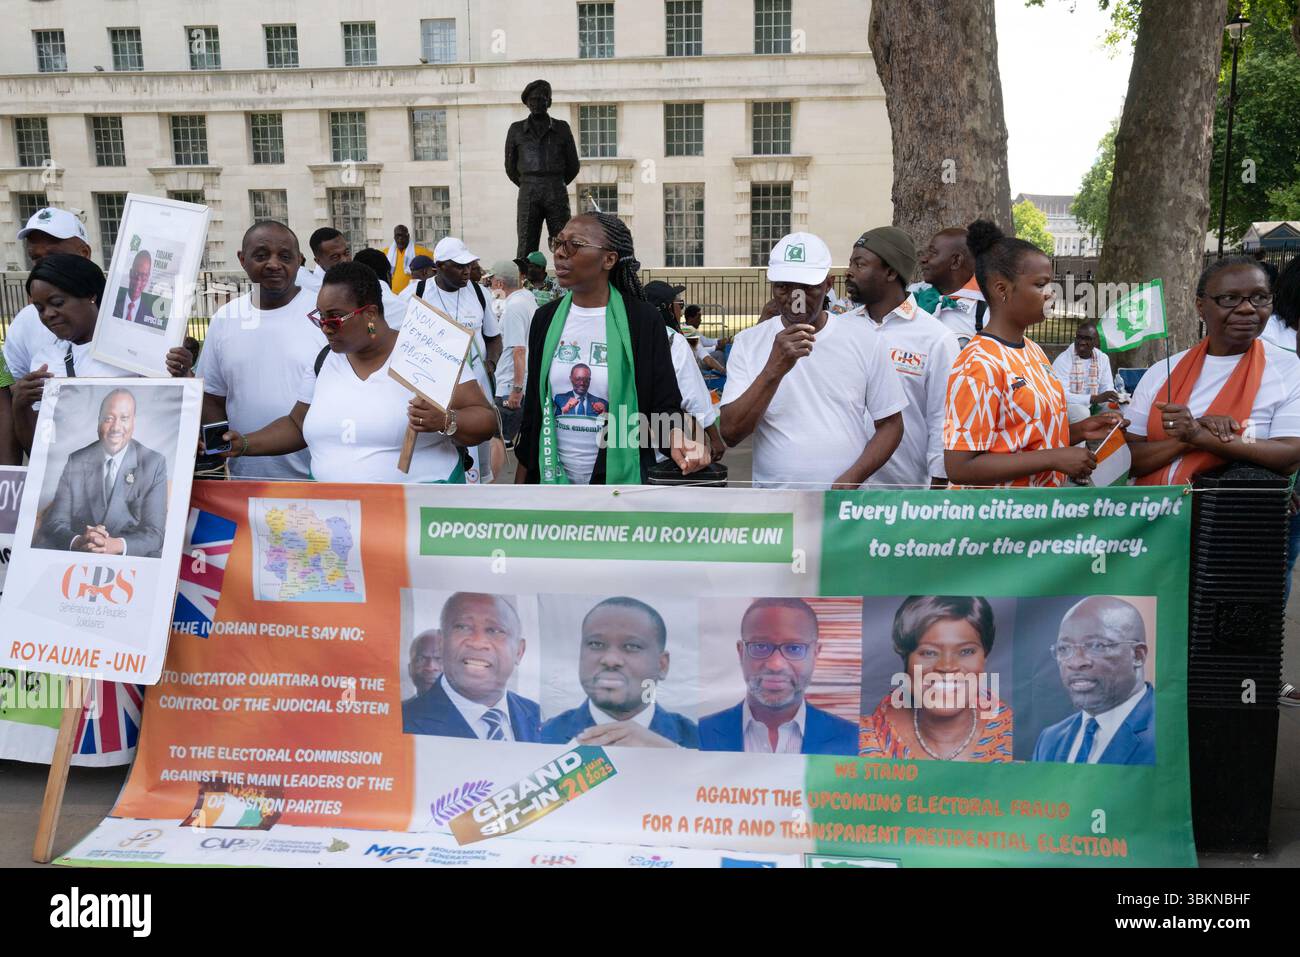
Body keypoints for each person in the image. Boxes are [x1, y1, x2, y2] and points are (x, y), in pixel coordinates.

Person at [217, 262, 496, 484]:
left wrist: (446, 419)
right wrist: (244, 443)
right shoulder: (325, 360)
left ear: (371, 314)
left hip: (414, 524)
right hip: (335, 526)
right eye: (321, 318)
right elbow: (297, 424)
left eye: (335, 319)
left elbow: (486, 421)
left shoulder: (426, 354)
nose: (326, 328)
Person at [514, 212, 708, 484]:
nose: (559, 253)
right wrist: (520, 483)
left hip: (617, 486)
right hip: (550, 482)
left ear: (609, 259)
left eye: (574, 244)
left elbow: (664, 404)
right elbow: (534, 410)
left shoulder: (641, 320)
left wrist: (680, 437)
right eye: (558, 243)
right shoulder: (544, 318)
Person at [719, 232, 907, 490]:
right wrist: (775, 368)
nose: (795, 298)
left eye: (807, 287)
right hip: (778, 512)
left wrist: (854, 477)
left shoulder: (865, 339)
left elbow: (890, 423)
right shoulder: (748, 343)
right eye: (783, 286)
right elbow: (731, 433)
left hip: (843, 509)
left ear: (828, 285)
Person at [944, 220, 1121, 489]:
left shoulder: (1034, 351)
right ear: (1001, 289)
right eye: (1040, 285)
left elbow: (1024, 438)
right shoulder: (978, 363)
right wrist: (1052, 458)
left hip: (1037, 520)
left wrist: (1080, 430)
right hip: (998, 523)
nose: (1050, 294)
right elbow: (959, 466)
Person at [1125, 256, 1300, 486]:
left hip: (1235, 516)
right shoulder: (1162, 372)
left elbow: (1288, 455)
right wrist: (1186, 440)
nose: (1247, 308)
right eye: (1229, 298)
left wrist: (1199, 435)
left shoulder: (1289, 369)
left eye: (1259, 297)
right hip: (1153, 516)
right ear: (1200, 306)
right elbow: (1126, 460)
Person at [12, 255, 192, 454]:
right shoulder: (45, 361)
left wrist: (183, 375)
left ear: (91, 295)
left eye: (57, 302)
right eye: (40, 308)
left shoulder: (138, 348)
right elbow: (39, 453)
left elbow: (177, 421)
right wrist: (20, 406)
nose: (48, 314)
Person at [197, 222, 325, 481]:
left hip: (317, 478)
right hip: (245, 480)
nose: (274, 264)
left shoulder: (324, 315)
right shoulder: (225, 318)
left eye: (285, 256)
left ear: (299, 261)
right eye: (261, 255)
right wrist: (218, 449)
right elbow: (212, 396)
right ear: (242, 259)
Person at [843, 227, 960, 488]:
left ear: (891, 272)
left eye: (860, 264)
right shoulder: (841, 329)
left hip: (902, 498)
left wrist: (937, 489)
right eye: (851, 262)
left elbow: (943, 420)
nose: (848, 271)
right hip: (839, 492)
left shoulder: (936, 338)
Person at [858, 596, 1012, 762]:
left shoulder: (1008, 729)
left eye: (966, 651)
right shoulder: (863, 739)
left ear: (984, 657)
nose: (947, 666)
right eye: (929, 652)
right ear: (906, 660)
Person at [699, 598, 857, 755]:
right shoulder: (699, 734)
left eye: (794, 648)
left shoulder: (854, 740)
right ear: (741, 652)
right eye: (760, 646)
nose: (775, 665)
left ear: (815, 653)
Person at [541, 596, 699, 748]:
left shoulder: (696, 741)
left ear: (662, 665)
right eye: (596, 644)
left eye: (632, 646)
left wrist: (674, 756)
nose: (611, 660)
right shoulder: (543, 737)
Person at [34, 387, 168, 558]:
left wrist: (115, 545)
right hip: (81, 553)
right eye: (108, 419)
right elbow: (55, 522)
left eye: (124, 418)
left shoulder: (154, 463)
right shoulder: (76, 460)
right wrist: (78, 541)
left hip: (128, 559)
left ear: (134, 422)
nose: (116, 427)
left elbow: (155, 533)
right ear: (98, 421)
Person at [401, 592, 541, 741]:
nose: (478, 642)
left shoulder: (537, 716)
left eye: (495, 630)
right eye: (462, 627)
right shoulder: (402, 719)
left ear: (519, 651)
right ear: (441, 642)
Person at [1033, 596, 1154, 765]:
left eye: (1097, 645)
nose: (1076, 662)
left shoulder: (1170, 732)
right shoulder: (1049, 740)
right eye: (1064, 648)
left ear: (1138, 655)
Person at [3, 207, 93, 382]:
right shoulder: (26, 321)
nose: (43, 265)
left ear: (84, 253)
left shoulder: (121, 316)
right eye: (35, 257)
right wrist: (21, 397)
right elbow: (10, 384)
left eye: (54, 256)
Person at [646, 280, 726, 463]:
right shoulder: (674, 339)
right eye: (678, 304)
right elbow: (693, 397)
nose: (681, 311)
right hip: (671, 445)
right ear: (665, 307)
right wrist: (714, 437)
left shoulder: (631, 335)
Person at [505, 78, 580, 259]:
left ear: (549, 102)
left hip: (556, 188)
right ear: (527, 103)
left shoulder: (562, 128)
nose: (537, 103)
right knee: (525, 241)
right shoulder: (516, 130)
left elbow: (573, 165)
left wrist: (556, 181)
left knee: (563, 241)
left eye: (541, 99)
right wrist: (528, 182)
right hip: (528, 189)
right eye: (533, 99)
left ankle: (567, 283)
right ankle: (524, 282)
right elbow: (510, 167)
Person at [426, 237, 503, 376]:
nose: (467, 271)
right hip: (434, 384)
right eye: (460, 266)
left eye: (468, 265)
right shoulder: (416, 294)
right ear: (439, 266)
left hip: (476, 385)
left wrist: (491, 363)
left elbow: (494, 338)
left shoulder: (480, 293)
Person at [918, 226, 988, 347]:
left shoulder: (986, 312)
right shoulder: (912, 296)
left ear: (956, 261)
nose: (923, 259)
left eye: (933, 253)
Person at [492, 261, 537, 445]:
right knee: (505, 443)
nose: (491, 286)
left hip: (509, 385)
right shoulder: (527, 298)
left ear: (500, 284)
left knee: (498, 443)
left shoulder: (514, 307)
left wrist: (515, 391)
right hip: (519, 382)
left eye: (492, 282)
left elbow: (518, 350)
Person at [1052, 321, 1118, 411]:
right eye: (1079, 337)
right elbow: (1061, 395)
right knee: (1082, 412)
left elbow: (1106, 387)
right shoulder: (1063, 359)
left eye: (1087, 339)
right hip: (1068, 405)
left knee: (1117, 409)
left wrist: (1116, 398)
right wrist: (1093, 399)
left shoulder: (1103, 358)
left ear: (1096, 341)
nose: (1082, 342)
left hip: (1094, 403)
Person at [111, 250, 160, 328]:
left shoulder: (150, 316)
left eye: (144, 276)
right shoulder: (111, 304)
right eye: (136, 274)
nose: (138, 282)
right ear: (130, 273)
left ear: (148, 278)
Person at [383, 224, 434, 295]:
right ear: (394, 237)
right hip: (393, 295)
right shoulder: (386, 253)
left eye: (402, 236)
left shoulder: (420, 251)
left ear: (408, 236)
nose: (400, 239)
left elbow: (436, 266)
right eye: (398, 236)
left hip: (413, 295)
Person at [407, 629, 443, 699]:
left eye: (439, 659)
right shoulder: (399, 709)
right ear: (410, 669)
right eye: (421, 659)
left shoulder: (468, 708)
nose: (430, 667)